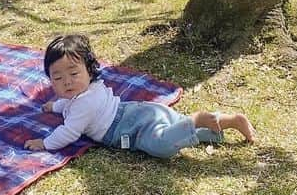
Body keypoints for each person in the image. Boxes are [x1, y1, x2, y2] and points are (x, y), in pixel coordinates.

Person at [24, 33, 255, 156]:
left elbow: (69, 131)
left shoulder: (84, 104)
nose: (67, 82)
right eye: (58, 77)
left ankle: (196, 119)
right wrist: (53, 107)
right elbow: (68, 105)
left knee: (162, 146)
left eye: (73, 73)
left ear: (89, 69)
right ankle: (227, 122)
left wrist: (45, 143)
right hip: (142, 111)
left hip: (130, 127)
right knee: (187, 133)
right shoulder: (86, 92)